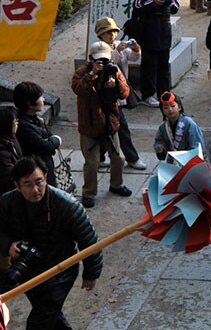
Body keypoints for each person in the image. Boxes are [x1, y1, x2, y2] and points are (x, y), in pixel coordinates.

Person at [0, 157, 102, 330]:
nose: (35, 190)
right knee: (48, 318)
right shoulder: (7, 202)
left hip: (60, 271)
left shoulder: (66, 205)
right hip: (28, 269)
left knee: (36, 327)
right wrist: (9, 245)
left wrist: (91, 273)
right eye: (28, 184)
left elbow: (89, 241)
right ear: (16, 185)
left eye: (40, 182)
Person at [70, 43, 133, 208]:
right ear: (90, 59)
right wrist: (92, 74)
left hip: (109, 123)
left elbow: (125, 92)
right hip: (89, 125)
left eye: (105, 59)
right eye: (99, 60)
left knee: (118, 158)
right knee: (92, 163)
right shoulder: (82, 73)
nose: (103, 63)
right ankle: (88, 193)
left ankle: (116, 185)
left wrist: (116, 85)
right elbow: (78, 89)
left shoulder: (114, 70)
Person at [92, 16, 145, 171]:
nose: (112, 35)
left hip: (117, 92)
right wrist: (117, 52)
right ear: (101, 35)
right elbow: (107, 64)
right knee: (118, 127)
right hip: (105, 95)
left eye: (114, 32)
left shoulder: (116, 45)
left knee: (109, 127)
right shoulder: (97, 48)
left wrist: (136, 49)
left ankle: (102, 157)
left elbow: (133, 57)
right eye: (108, 32)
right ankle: (132, 158)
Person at [133, 0, 180, 106]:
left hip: (164, 31)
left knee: (164, 66)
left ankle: (164, 94)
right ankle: (147, 94)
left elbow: (176, 7)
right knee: (149, 66)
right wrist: (152, 3)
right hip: (148, 31)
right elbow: (136, 8)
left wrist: (169, 3)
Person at [12, 83, 60, 185]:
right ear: (30, 104)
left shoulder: (34, 119)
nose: (43, 100)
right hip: (35, 171)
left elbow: (47, 135)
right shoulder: (24, 126)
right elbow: (46, 146)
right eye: (40, 97)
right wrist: (57, 140)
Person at [153, 91, 204, 160]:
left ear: (179, 107)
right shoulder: (163, 127)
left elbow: (196, 146)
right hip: (173, 161)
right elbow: (159, 141)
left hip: (189, 161)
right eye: (166, 108)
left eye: (173, 106)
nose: (170, 109)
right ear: (163, 111)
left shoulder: (189, 124)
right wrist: (160, 148)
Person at [0, 106, 22, 195]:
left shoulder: (11, 138)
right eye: (15, 121)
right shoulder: (2, 153)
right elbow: (10, 177)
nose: (17, 123)